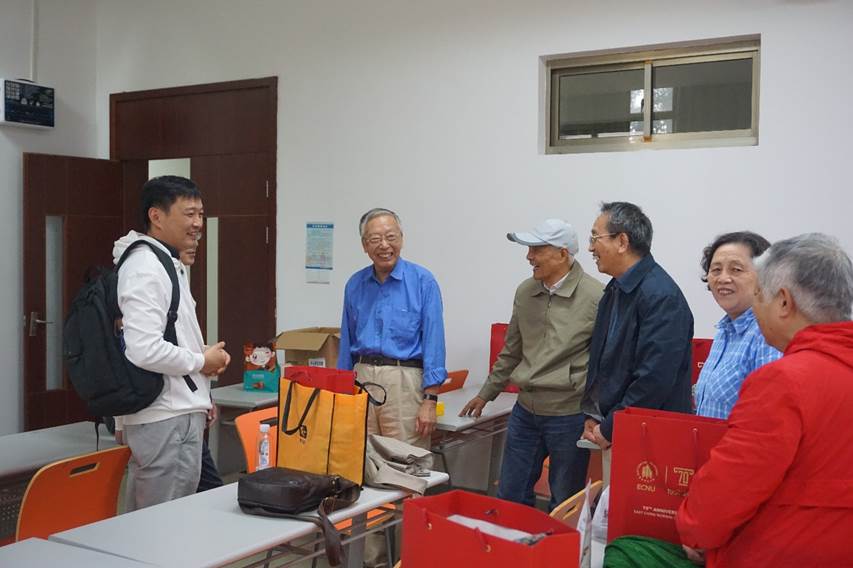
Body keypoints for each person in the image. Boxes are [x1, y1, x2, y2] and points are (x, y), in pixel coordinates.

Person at [677, 233, 853, 567]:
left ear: (784, 302)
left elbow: (730, 489)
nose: (755, 309)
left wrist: (694, 530)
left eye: (759, 295)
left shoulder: (783, 381)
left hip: (783, 549)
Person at [460, 219, 603, 510]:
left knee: (564, 501)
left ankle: (558, 543)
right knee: (510, 496)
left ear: (562, 253)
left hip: (569, 415)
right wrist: (486, 393)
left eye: (537, 249)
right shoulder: (525, 292)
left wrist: (596, 413)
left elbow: (605, 363)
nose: (529, 257)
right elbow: (512, 350)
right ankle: (514, 541)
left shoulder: (596, 296)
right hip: (525, 412)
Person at [114, 175, 230, 511]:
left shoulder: (166, 262)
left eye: (201, 214)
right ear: (156, 216)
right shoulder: (145, 267)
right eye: (189, 214)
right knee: (160, 522)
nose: (198, 224)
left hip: (177, 410)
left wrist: (203, 380)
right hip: (164, 415)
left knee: (173, 517)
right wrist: (201, 362)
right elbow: (143, 348)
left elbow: (169, 337)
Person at [338, 208, 446, 568]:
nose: (384, 245)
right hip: (361, 379)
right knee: (362, 471)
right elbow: (346, 342)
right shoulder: (355, 284)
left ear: (401, 238)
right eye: (375, 239)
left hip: (405, 381)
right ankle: (373, 561)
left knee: (407, 473)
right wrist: (341, 394)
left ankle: (409, 559)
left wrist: (430, 399)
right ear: (364, 245)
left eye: (391, 236)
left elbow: (434, 341)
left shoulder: (422, 281)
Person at [580, 202, 693, 484]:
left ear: (622, 241)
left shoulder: (661, 296)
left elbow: (653, 379)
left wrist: (610, 427)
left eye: (595, 238)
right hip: (620, 427)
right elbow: (605, 363)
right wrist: (596, 415)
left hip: (649, 439)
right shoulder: (616, 289)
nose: (590, 247)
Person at [694, 231, 781, 419]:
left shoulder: (767, 334)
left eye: (736, 270)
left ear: (764, 275)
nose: (723, 278)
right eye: (716, 270)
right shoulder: (724, 331)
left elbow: (769, 415)